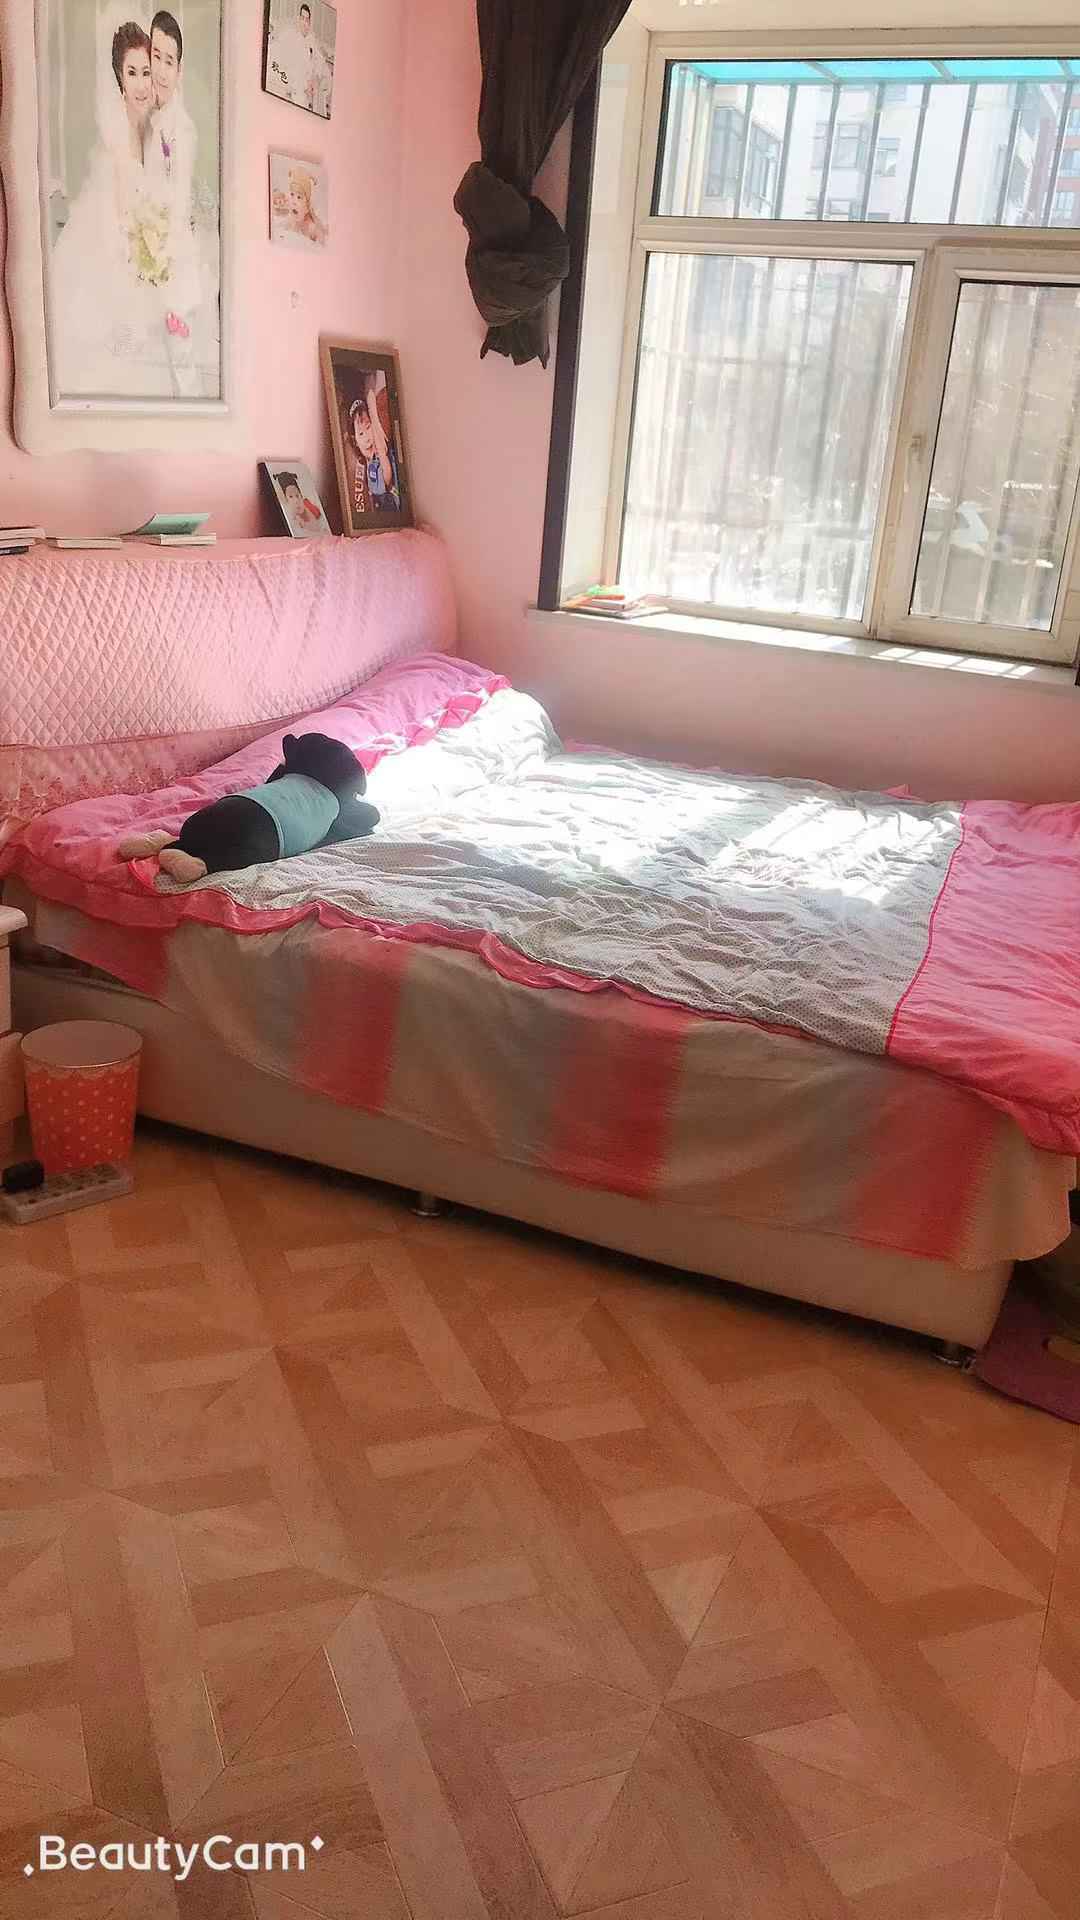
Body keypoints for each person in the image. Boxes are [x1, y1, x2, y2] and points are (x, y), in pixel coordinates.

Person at [50, 17, 168, 397]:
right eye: (132, 73)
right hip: (110, 243)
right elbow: (118, 217)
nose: (140, 84)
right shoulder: (116, 133)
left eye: (146, 72)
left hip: (138, 238)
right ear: (120, 76)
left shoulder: (153, 128)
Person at [145, 10, 203, 394]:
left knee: (181, 365)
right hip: (148, 251)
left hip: (171, 260)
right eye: (156, 56)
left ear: (179, 70)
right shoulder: (146, 115)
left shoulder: (182, 129)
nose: (162, 70)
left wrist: (159, 256)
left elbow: (177, 205)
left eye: (170, 61)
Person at [346, 378, 400, 517]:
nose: (367, 437)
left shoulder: (383, 448)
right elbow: (386, 477)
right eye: (361, 433)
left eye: (368, 427)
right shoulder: (368, 467)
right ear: (355, 441)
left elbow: (370, 393)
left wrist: (373, 414)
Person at [270, 3, 330, 115]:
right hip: (291, 87)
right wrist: (298, 84)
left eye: (307, 20)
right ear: (298, 19)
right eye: (302, 18)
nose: (304, 23)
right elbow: (278, 61)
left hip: (304, 96)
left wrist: (315, 79)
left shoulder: (311, 42)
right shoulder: (289, 36)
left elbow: (320, 65)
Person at [285, 166, 327, 248]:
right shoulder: (290, 220)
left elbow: (322, 244)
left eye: (299, 197)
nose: (294, 202)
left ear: (307, 206)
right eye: (292, 194)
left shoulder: (311, 228)